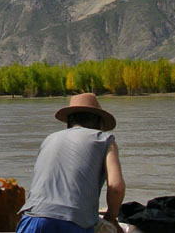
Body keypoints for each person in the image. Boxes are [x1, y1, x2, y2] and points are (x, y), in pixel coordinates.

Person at [16, 93, 126, 233]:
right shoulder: (104, 139)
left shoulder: (49, 139)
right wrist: (111, 218)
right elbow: (116, 187)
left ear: (68, 123)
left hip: (31, 219)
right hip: (73, 223)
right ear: (99, 123)